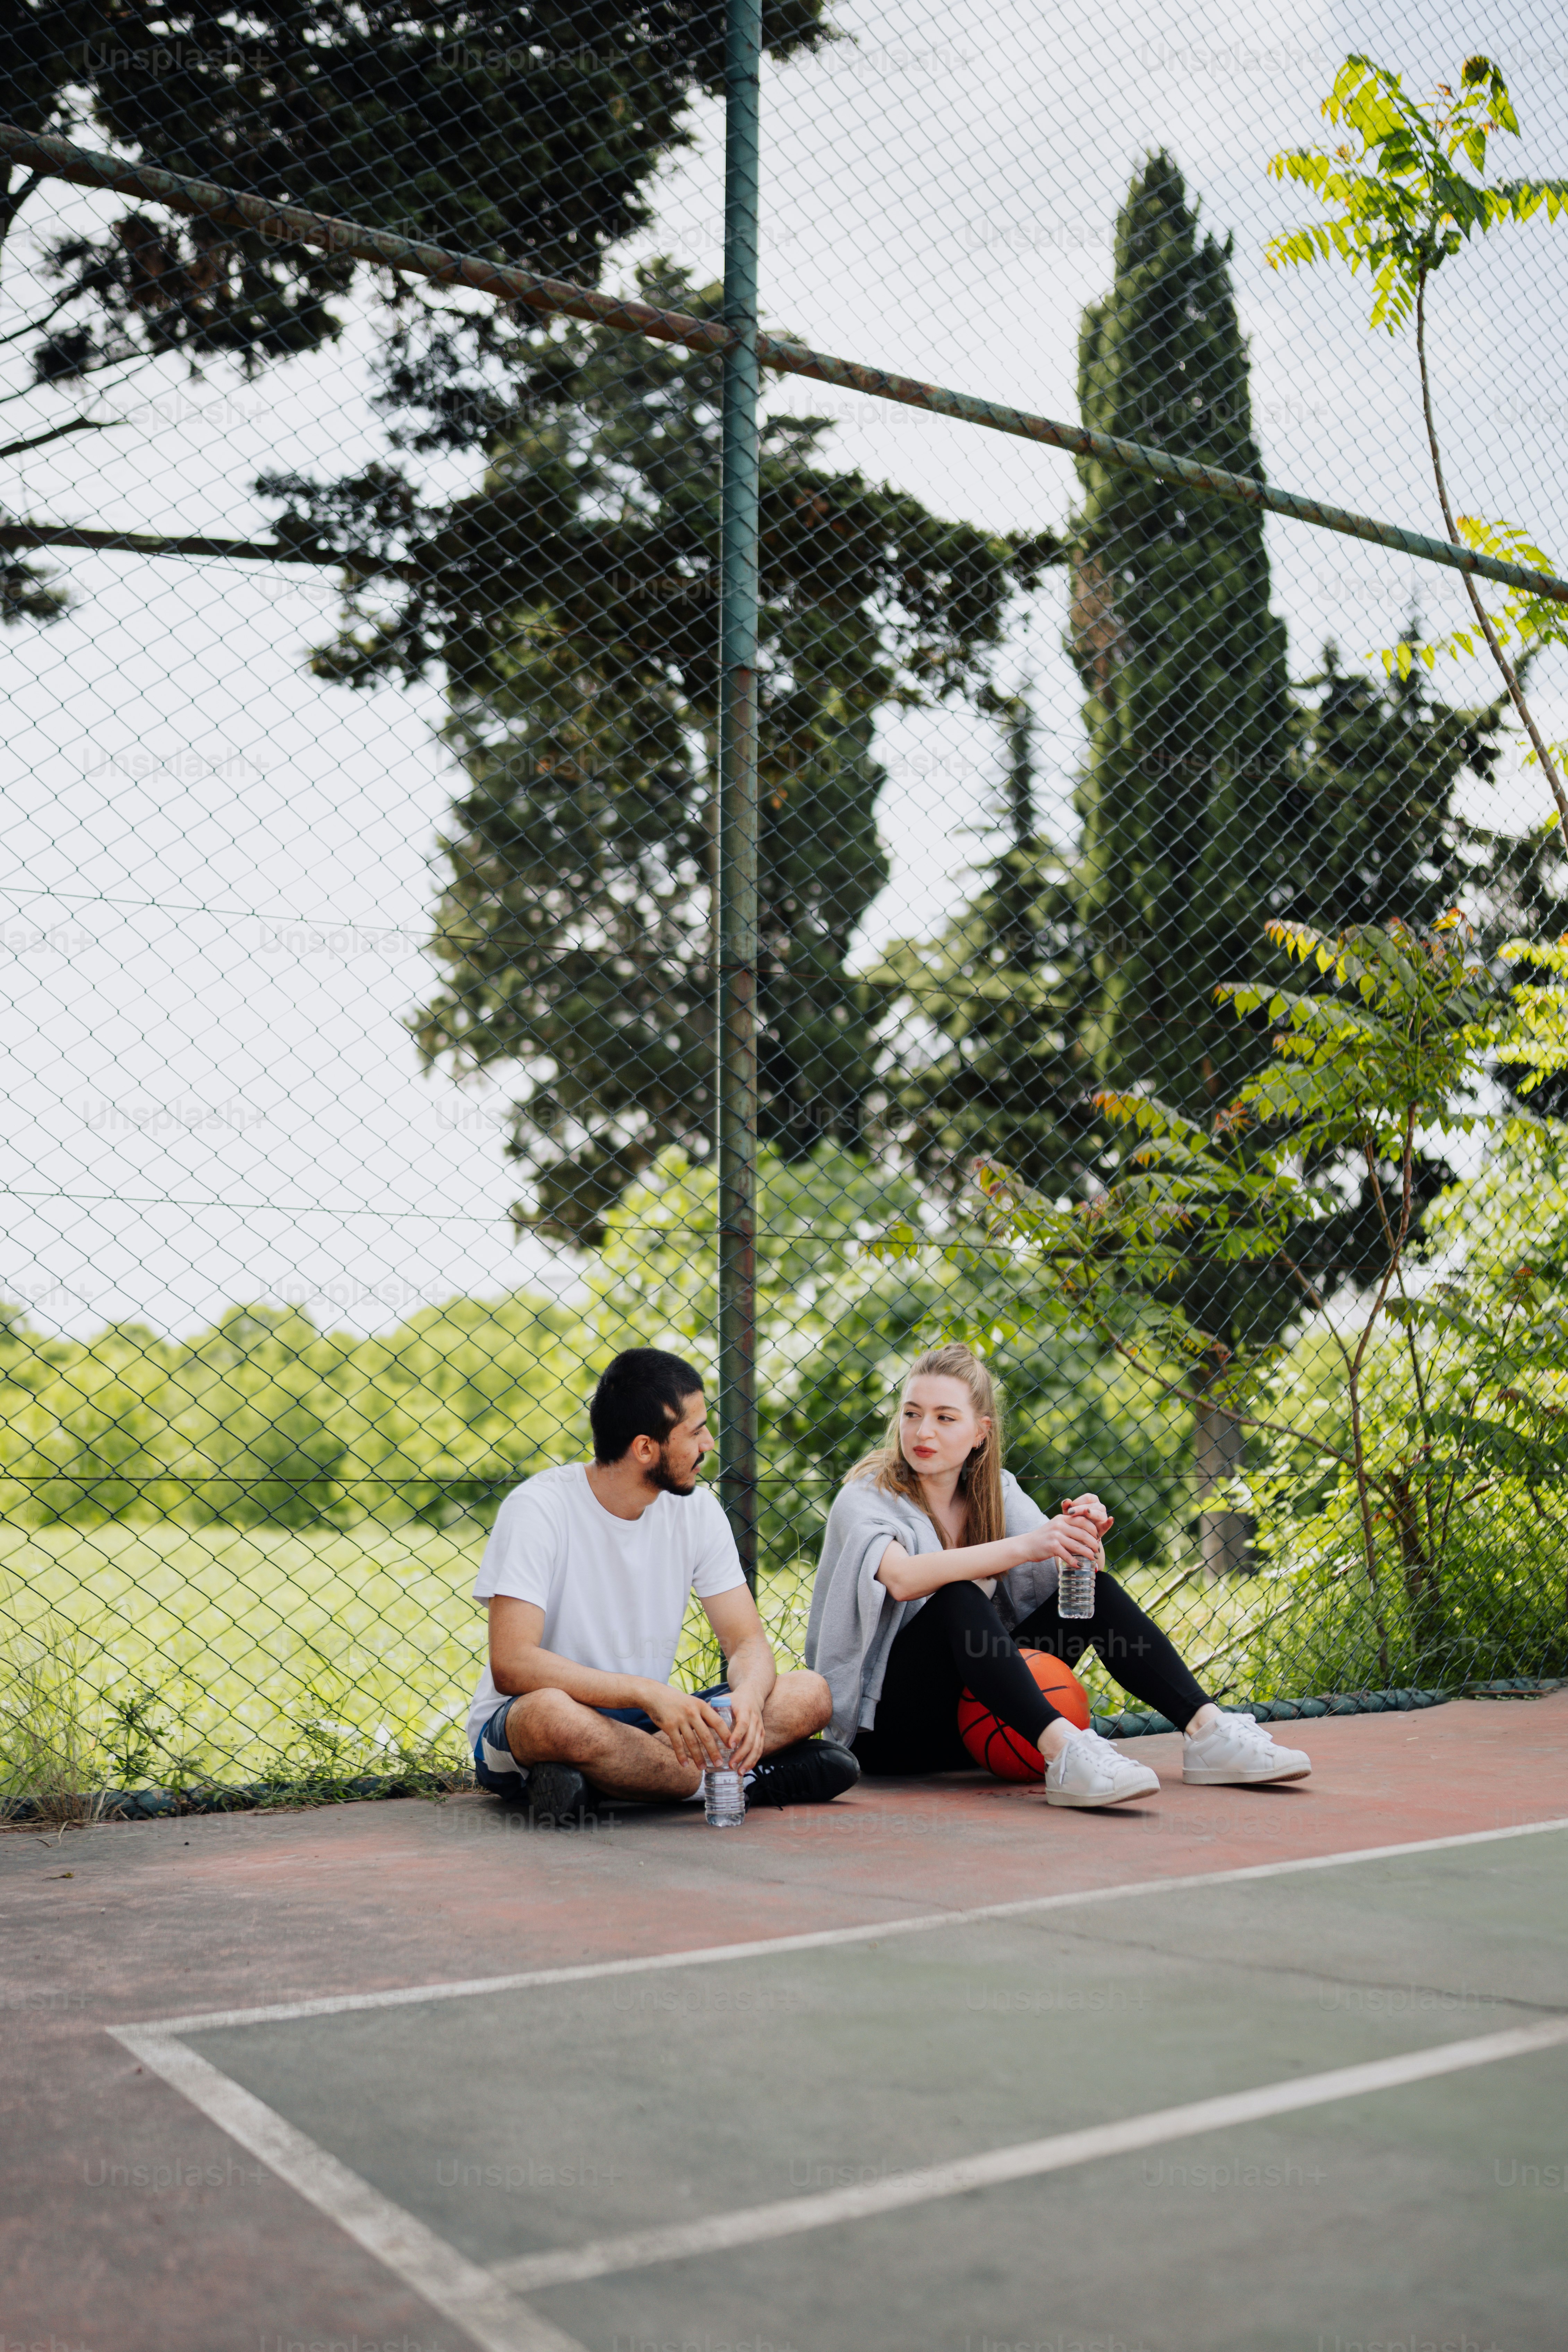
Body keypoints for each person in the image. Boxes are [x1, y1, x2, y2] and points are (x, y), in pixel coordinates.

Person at [806, 1342, 1311, 1809]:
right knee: (957, 1597)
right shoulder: (866, 1495)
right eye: (911, 1414)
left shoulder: (995, 1491)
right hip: (894, 1736)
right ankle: (1065, 1752)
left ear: (980, 1430)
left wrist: (1079, 1536)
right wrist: (1028, 1544)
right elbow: (902, 1578)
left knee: (1096, 1591)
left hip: (981, 1727)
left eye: (944, 1417)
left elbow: (1069, 1584)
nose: (922, 1432)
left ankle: (1206, 1731)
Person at [468, 1346, 860, 1822]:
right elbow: (512, 1664)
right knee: (554, 1717)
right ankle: (743, 1782)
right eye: (695, 1432)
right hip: (538, 1720)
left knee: (809, 1693)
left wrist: (751, 1699)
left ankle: (604, 1781)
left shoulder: (696, 1509)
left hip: (647, 1720)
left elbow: (746, 1642)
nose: (709, 1444)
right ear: (645, 1448)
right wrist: (645, 1692)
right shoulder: (538, 1508)